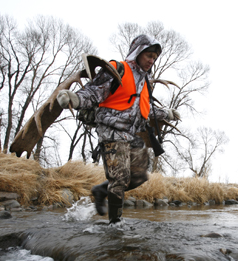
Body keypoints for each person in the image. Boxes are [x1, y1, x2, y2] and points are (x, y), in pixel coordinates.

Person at [57, 34, 180, 225]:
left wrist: (167, 114)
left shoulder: (145, 81)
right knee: (120, 178)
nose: (151, 60)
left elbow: (145, 111)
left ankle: (101, 191)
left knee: (139, 177)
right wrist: (75, 99)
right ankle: (115, 224)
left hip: (132, 135)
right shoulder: (117, 69)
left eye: (154, 58)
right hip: (112, 131)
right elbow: (93, 92)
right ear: (137, 52)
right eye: (148, 55)